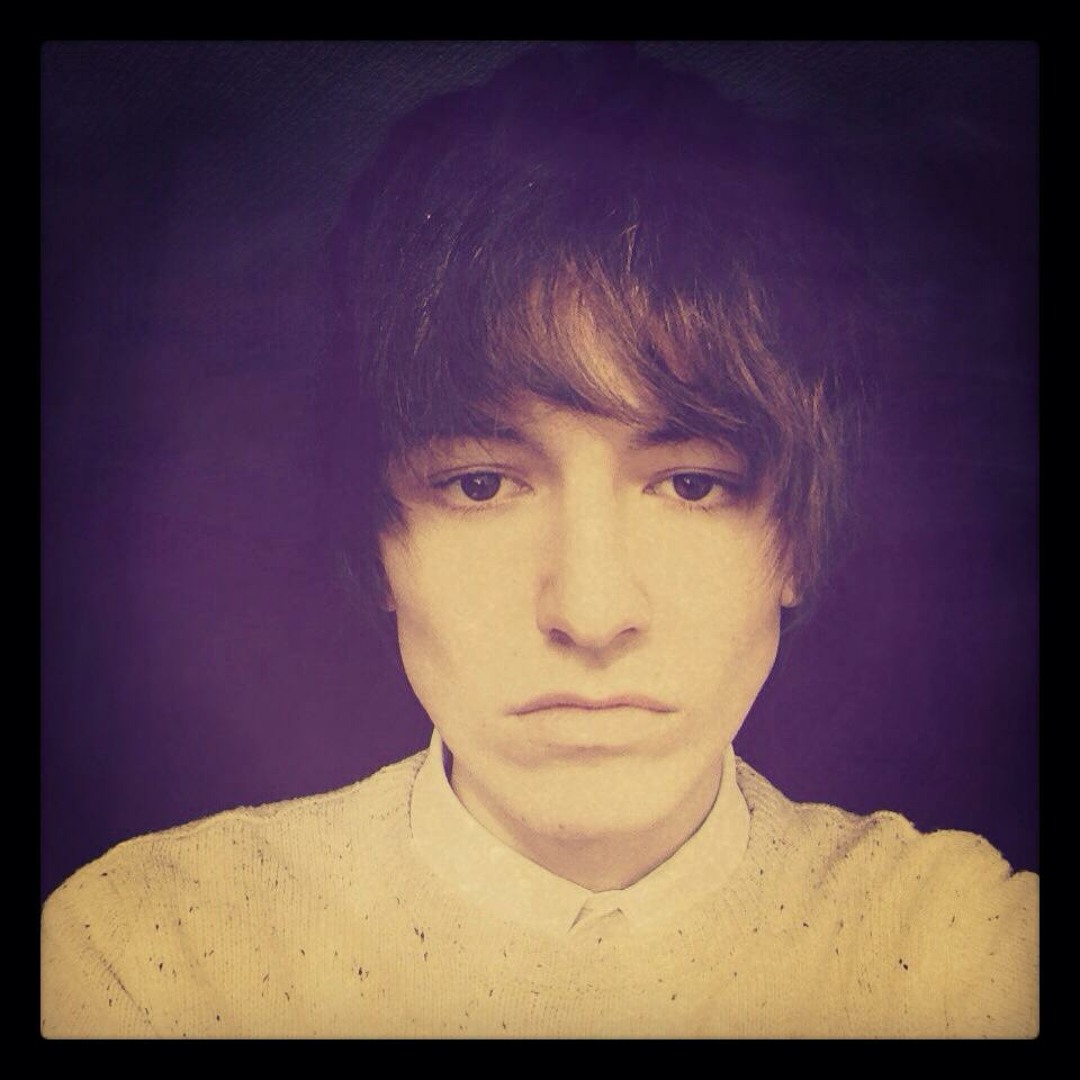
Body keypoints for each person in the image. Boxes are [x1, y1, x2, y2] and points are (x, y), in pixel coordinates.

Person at [41, 44, 1037, 1038]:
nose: (590, 614)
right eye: (481, 485)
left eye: (691, 484)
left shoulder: (964, 953)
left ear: (798, 543)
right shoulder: (162, 957)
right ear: (376, 541)